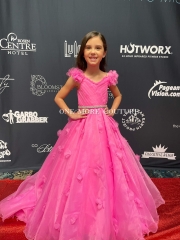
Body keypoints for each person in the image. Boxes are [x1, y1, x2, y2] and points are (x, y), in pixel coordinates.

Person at [0, 31, 165, 240]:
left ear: (104, 52)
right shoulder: (77, 77)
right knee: (80, 168)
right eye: (89, 48)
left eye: (97, 48)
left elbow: (118, 94)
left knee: (107, 166)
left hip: (104, 127)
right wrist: (72, 113)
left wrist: (112, 109)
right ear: (83, 52)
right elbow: (59, 97)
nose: (93, 52)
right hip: (82, 128)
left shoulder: (108, 78)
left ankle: (105, 213)